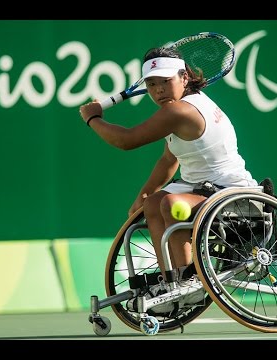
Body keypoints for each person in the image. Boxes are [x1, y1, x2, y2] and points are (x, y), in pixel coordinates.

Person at [79, 46, 257, 307]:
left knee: (171, 204)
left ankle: (189, 283)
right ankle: (171, 282)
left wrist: (92, 119)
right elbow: (169, 159)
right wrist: (144, 194)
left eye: (165, 81)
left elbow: (127, 141)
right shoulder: (179, 108)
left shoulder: (179, 111)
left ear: (184, 78)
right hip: (203, 191)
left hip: (232, 195)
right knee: (153, 203)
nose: (158, 90)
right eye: (152, 84)